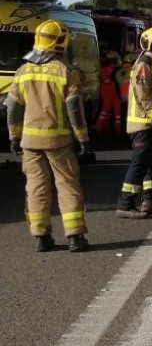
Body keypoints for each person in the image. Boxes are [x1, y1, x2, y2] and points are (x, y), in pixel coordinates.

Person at [5, 20, 91, 252]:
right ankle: (74, 236)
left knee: (36, 188)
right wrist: (82, 138)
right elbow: (74, 109)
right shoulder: (65, 71)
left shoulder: (22, 72)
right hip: (59, 141)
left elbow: (12, 108)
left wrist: (14, 137)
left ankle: (41, 237)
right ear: (60, 43)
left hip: (30, 143)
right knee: (67, 185)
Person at [116, 27, 152, 218]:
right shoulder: (144, 63)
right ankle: (125, 204)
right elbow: (142, 93)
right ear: (147, 43)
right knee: (139, 163)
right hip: (143, 123)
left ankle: (150, 201)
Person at [94, 50, 123, 136]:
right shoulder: (109, 71)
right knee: (108, 112)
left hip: (111, 94)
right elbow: (107, 82)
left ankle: (102, 128)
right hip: (111, 95)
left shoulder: (107, 70)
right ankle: (100, 128)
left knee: (108, 113)